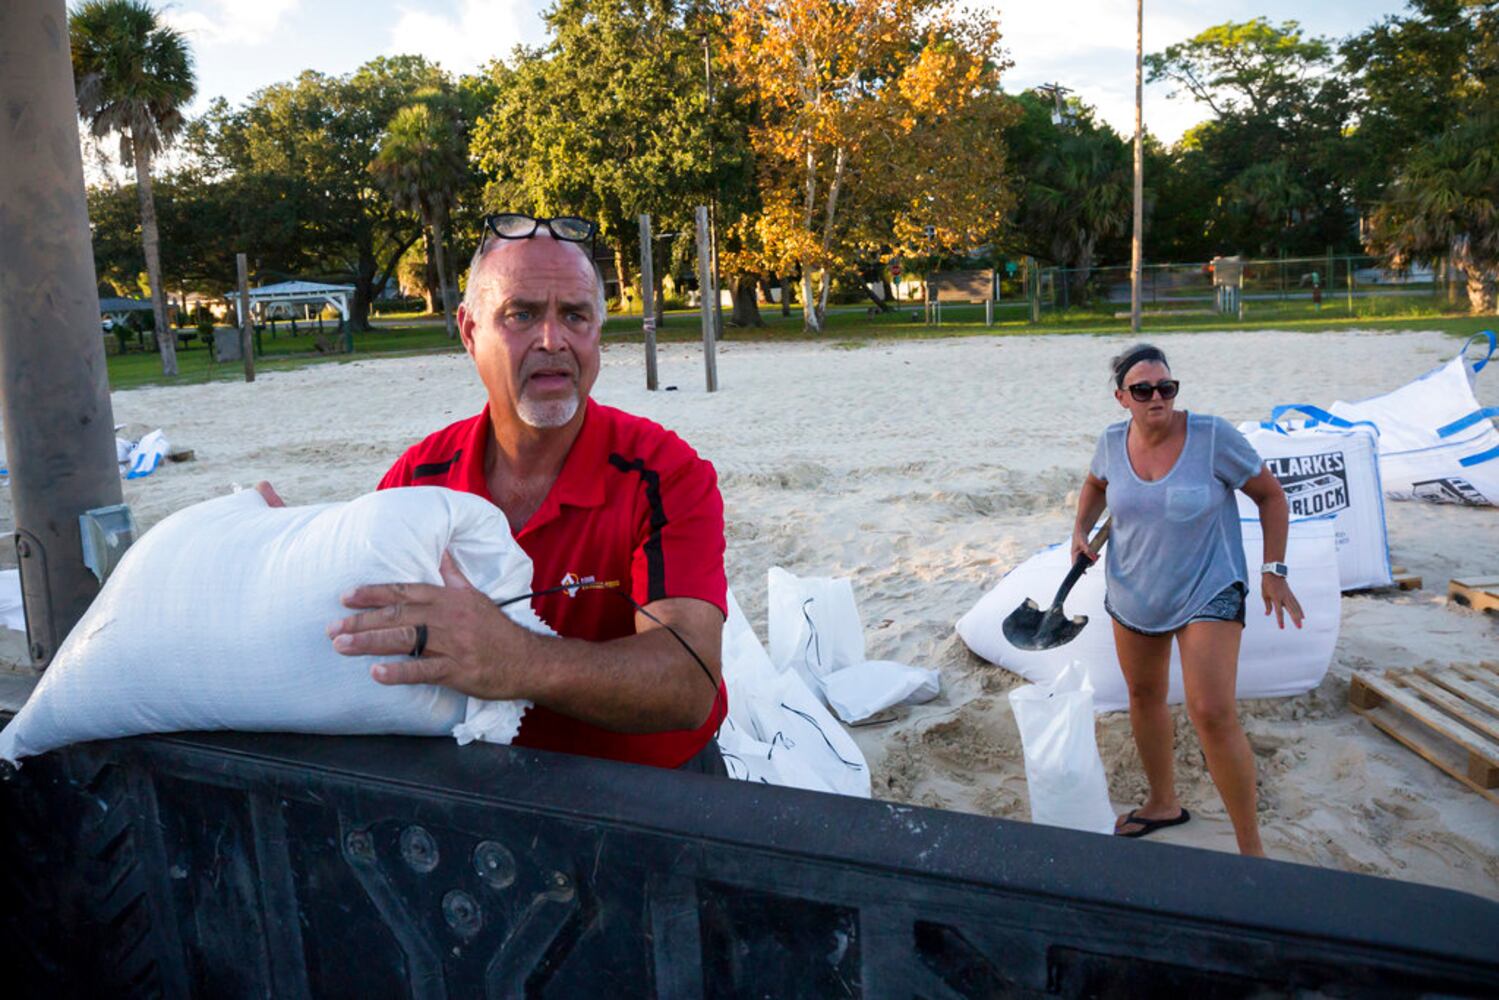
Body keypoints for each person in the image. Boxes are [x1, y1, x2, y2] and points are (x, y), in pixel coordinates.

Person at [307, 213, 728, 774]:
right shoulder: (420, 476)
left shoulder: (664, 473)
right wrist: (284, 551)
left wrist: (514, 660)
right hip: (478, 785)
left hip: (650, 794)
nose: (552, 339)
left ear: (597, 335)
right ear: (469, 331)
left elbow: (688, 681)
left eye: (574, 316)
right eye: (522, 314)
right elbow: (358, 622)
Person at [1071, 343, 1303, 856]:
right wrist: (1080, 531)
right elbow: (1094, 484)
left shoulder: (1213, 436)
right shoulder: (1111, 442)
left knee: (1212, 710)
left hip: (1209, 585)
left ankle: (1251, 848)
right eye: (1144, 390)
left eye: (1166, 388)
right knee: (1143, 696)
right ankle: (1162, 803)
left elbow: (1271, 496)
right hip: (1134, 588)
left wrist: (1274, 570)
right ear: (1122, 398)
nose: (1157, 397)